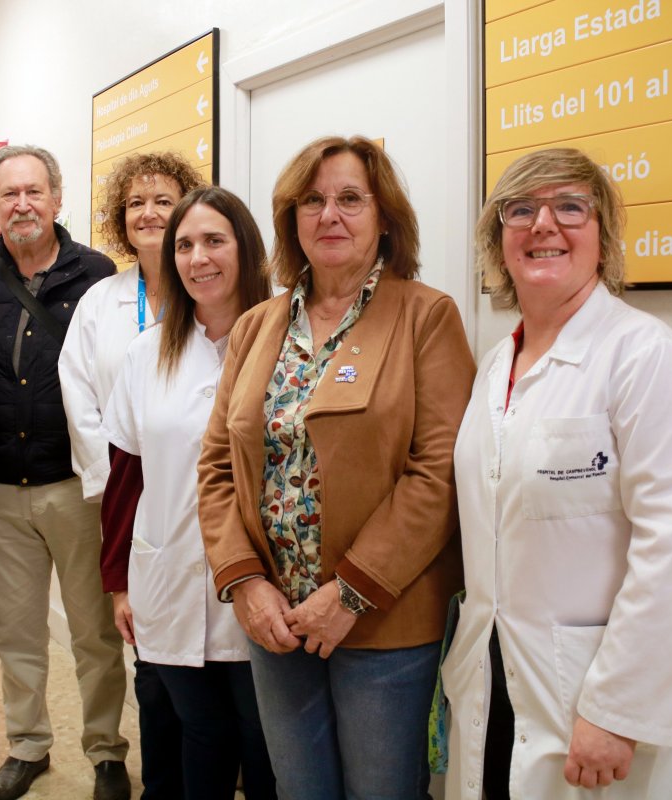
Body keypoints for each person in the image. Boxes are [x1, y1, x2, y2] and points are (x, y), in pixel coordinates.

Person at [197, 135, 475, 798]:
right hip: (275, 623)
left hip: (383, 622)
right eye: (312, 201)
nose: (330, 215)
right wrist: (244, 584)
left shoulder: (425, 317)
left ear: (385, 217)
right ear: (292, 220)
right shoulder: (257, 326)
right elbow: (216, 465)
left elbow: (438, 472)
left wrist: (349, 592)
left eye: (350, 198)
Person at [443, 147, 672, 800]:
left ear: (603, 238)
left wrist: (617, 710)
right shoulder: (493, 369)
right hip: (493, 678)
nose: (544, 224)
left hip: (593, 700)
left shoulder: (647, 358)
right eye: (521, 210)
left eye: (570, 207)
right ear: (498, 239)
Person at [100, 187, 277, 800]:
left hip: (264, 585)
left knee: (261, 738)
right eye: (184, 245)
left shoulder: (287, 341)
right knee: (197, 732)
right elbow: (126, 475)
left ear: (246, 249)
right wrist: (119, 581)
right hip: (168, 576)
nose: (198, 258)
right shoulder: (148, 353)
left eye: (214, 241)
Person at [0, 144, 131, 800]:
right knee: (14, 630)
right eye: (10, 194)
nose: (23, 204)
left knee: (93, 632)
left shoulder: (98, 273)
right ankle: (28, 744)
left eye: (35, 191)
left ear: (57, 200)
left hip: (77, 487)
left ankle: (107, 750)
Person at [59, 151, 204, 799]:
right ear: (122, 218)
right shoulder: (102, 300)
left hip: (207, 498)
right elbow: (80, 398)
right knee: (147, 649)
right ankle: (163, 776)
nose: (149, 212)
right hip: (128, 499)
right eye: (136, 202)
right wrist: (110, 487)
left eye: (164, 200)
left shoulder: (212, 286)